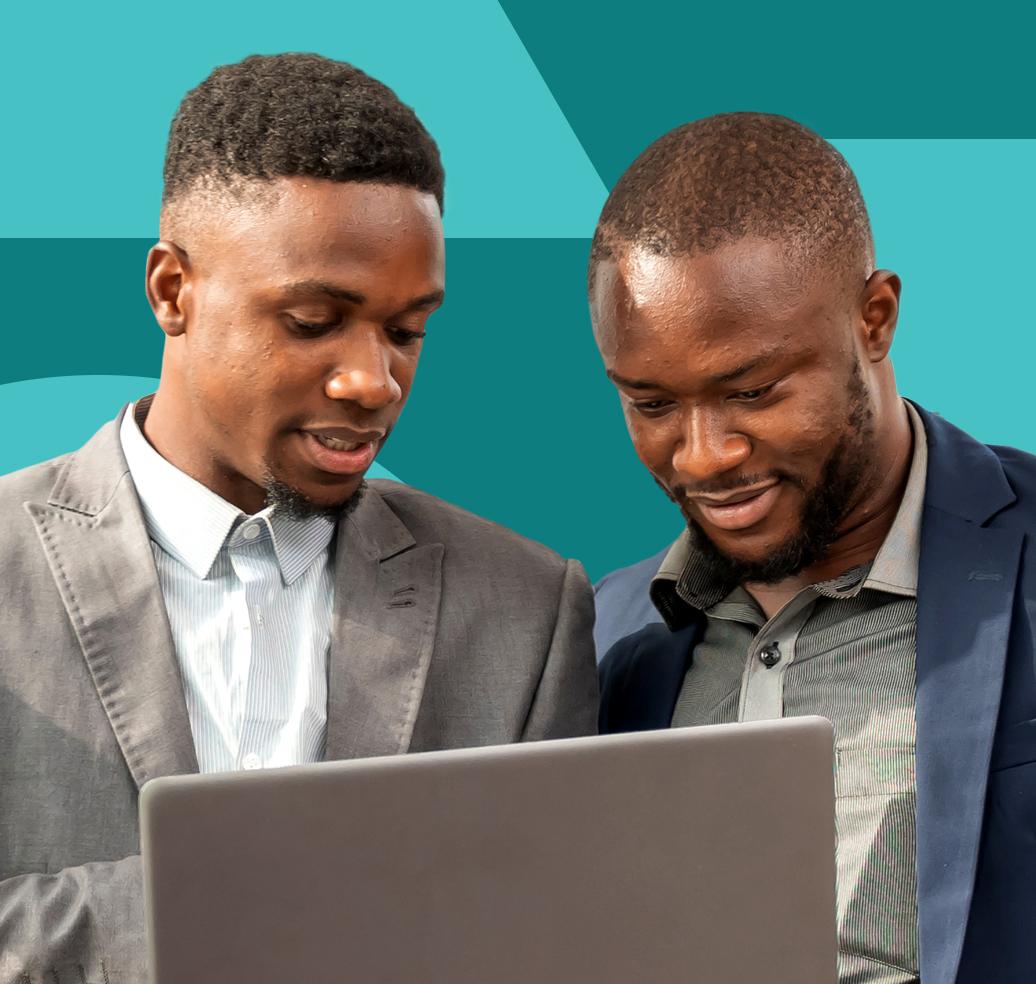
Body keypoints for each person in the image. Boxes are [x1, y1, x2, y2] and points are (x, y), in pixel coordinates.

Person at [0, 53, 597, 981]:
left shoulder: (526, 608)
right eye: (314, 319)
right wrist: (243, 900)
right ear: (172, 291)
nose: (374, 381)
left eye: (408, 330)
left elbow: (563, 934)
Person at [588, 113, 1036, 984]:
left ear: (876, 318)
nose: (703, 455)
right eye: (650, 405)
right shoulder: (599, 636)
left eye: (753, 390)